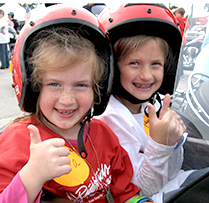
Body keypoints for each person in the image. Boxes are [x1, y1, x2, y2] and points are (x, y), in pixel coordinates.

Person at [0, 5, 153, 203]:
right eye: (54, 84)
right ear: (34, 87)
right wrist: (31, 176)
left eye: (81, 85)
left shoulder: (104, 135)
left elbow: (123, 192)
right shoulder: (18, 142)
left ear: (98, 87)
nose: (67, 99)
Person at [96, 3, 197, 202]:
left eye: (156, 64)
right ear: (112, 69)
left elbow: (173, 171)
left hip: (174, 186)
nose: (146, 75)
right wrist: (160, 144)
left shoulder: (150, 106)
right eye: (134, 63)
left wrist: (172, 142)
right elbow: (140, 190)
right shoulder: (111, 118)